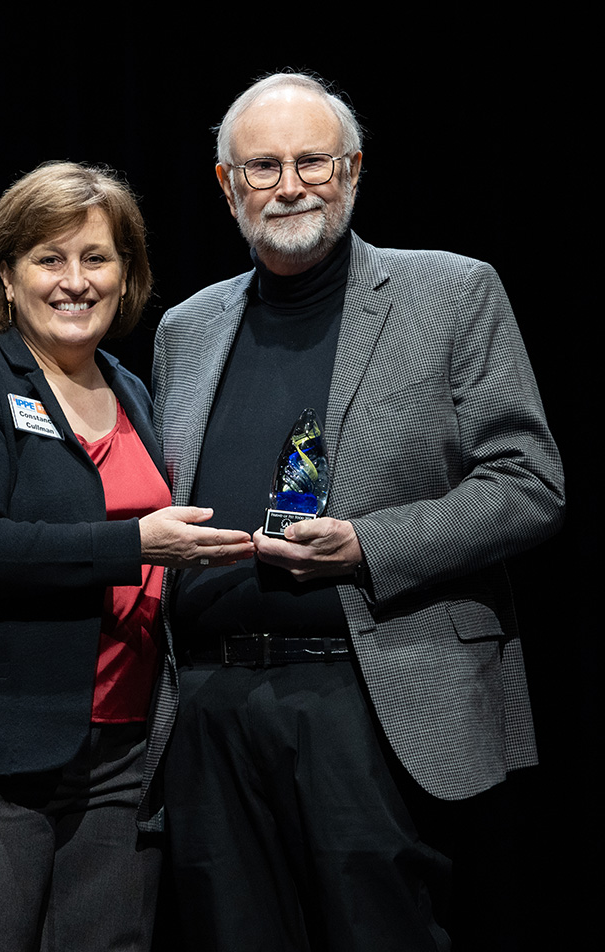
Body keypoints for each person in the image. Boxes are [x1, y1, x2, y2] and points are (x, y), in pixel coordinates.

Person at [151, 72, 565, 951]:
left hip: (370, 693)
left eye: (314, 161)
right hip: (213, 701)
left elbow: (529, 482)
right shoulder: (186, 328)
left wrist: (366, 546)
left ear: (354, 170)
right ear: (227, 188)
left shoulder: (450, 293)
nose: (290, 184)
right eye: (263, 167)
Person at [0, 161, 254, 952]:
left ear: (126, 275)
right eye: (48, 259)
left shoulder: (134, 391)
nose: (75, 281)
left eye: (96, 258)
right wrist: (135, 546)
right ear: (6, 278)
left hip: (122, 755)